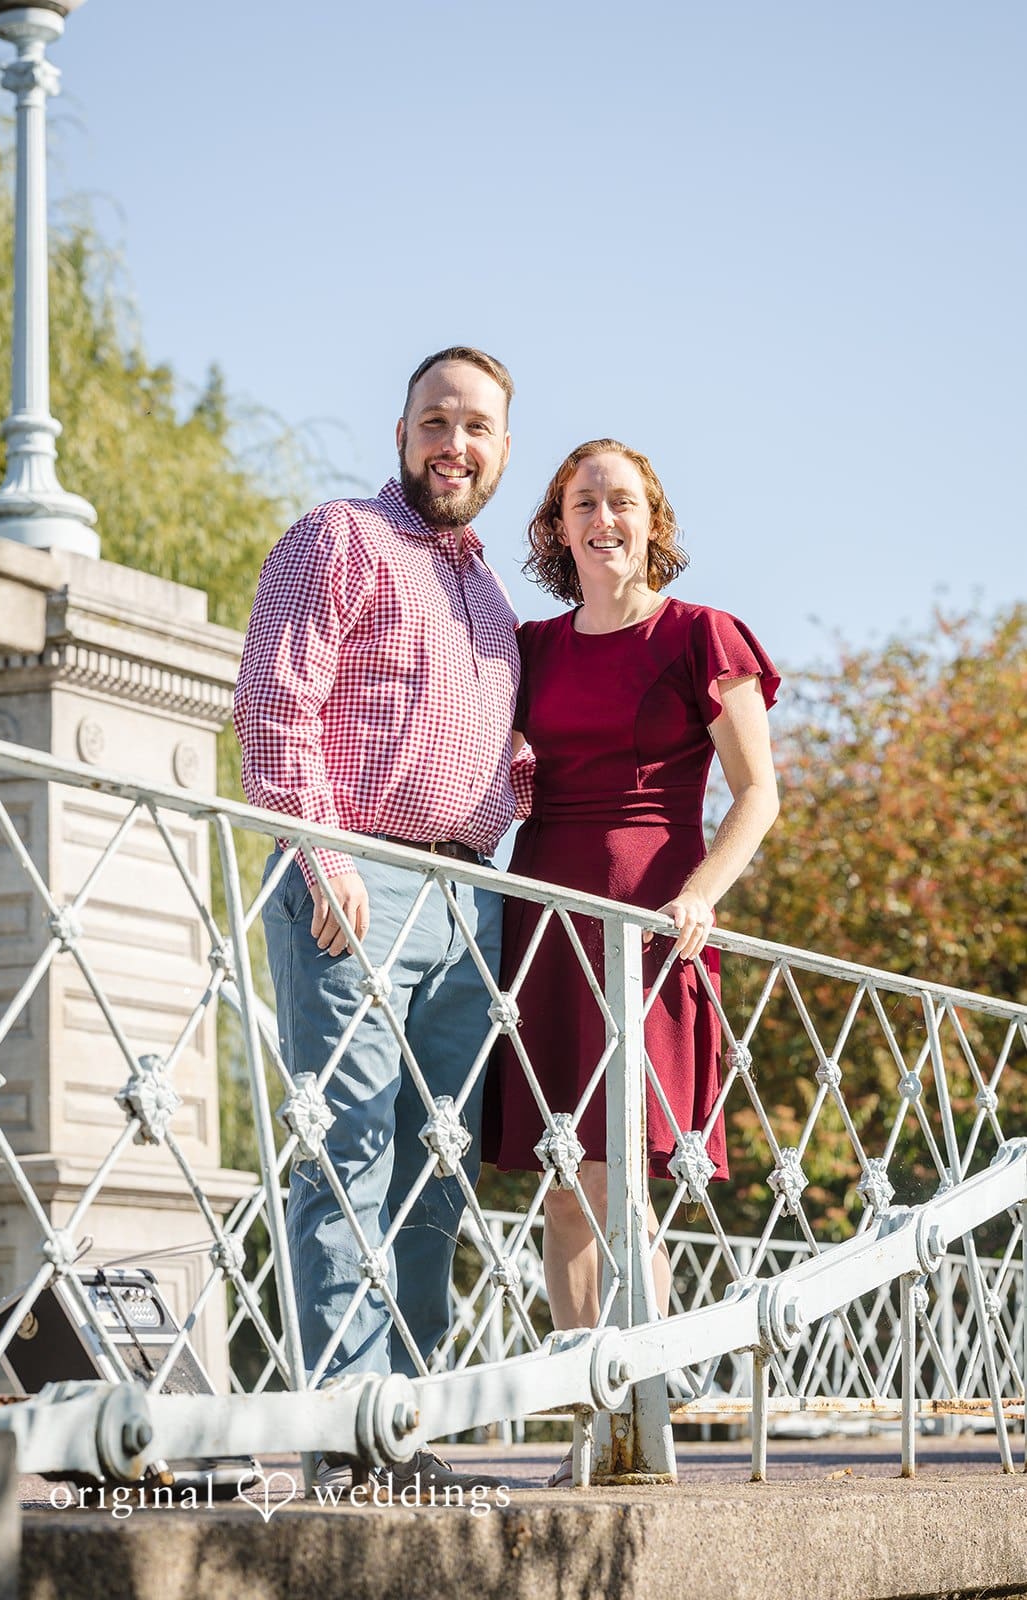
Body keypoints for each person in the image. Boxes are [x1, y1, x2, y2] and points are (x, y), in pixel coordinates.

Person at [234, 347, 525, 1493]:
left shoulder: (493, 602)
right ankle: (347, 1443)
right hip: (355, 879)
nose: (455, 443)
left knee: (434, 1173)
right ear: (401, 433)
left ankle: (401, 1428)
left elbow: (480, 748)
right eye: (435, 421)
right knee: (346, 1150)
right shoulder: (338, 538)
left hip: (472, 901)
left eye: (477, 427)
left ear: (501, 451)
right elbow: (274, 703)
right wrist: (322, 854)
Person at [484, 439, 780, 1482]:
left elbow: (757, 793)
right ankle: (585, 1422)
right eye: (581, 503)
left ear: (653, 520)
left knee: (620, 1182)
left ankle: (641, 1420)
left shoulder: (701, 634)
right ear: (556, 528)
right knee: (562, 1181)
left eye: (620, 500)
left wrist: (700, 893)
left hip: (650, 924)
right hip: (542, 916)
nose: (601, 518)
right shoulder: (530, 647)